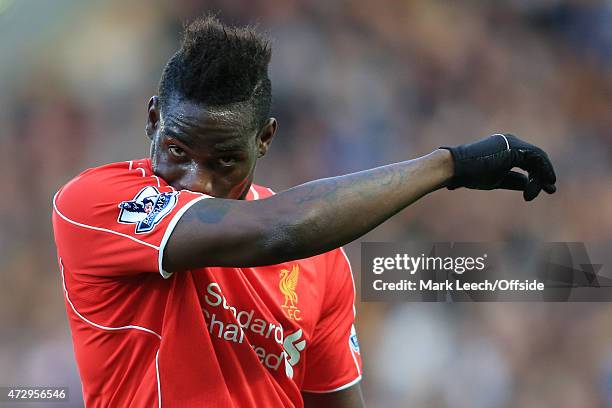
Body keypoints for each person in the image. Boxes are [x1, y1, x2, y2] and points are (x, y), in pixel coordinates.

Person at [51, 14, 556, 408]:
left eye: (225, 160)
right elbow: (273, 233)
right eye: (179, 152)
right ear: (154, 118)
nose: (197, 183)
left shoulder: (323, 264)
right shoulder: (94, 203)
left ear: (265, 139)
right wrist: (449, 166)